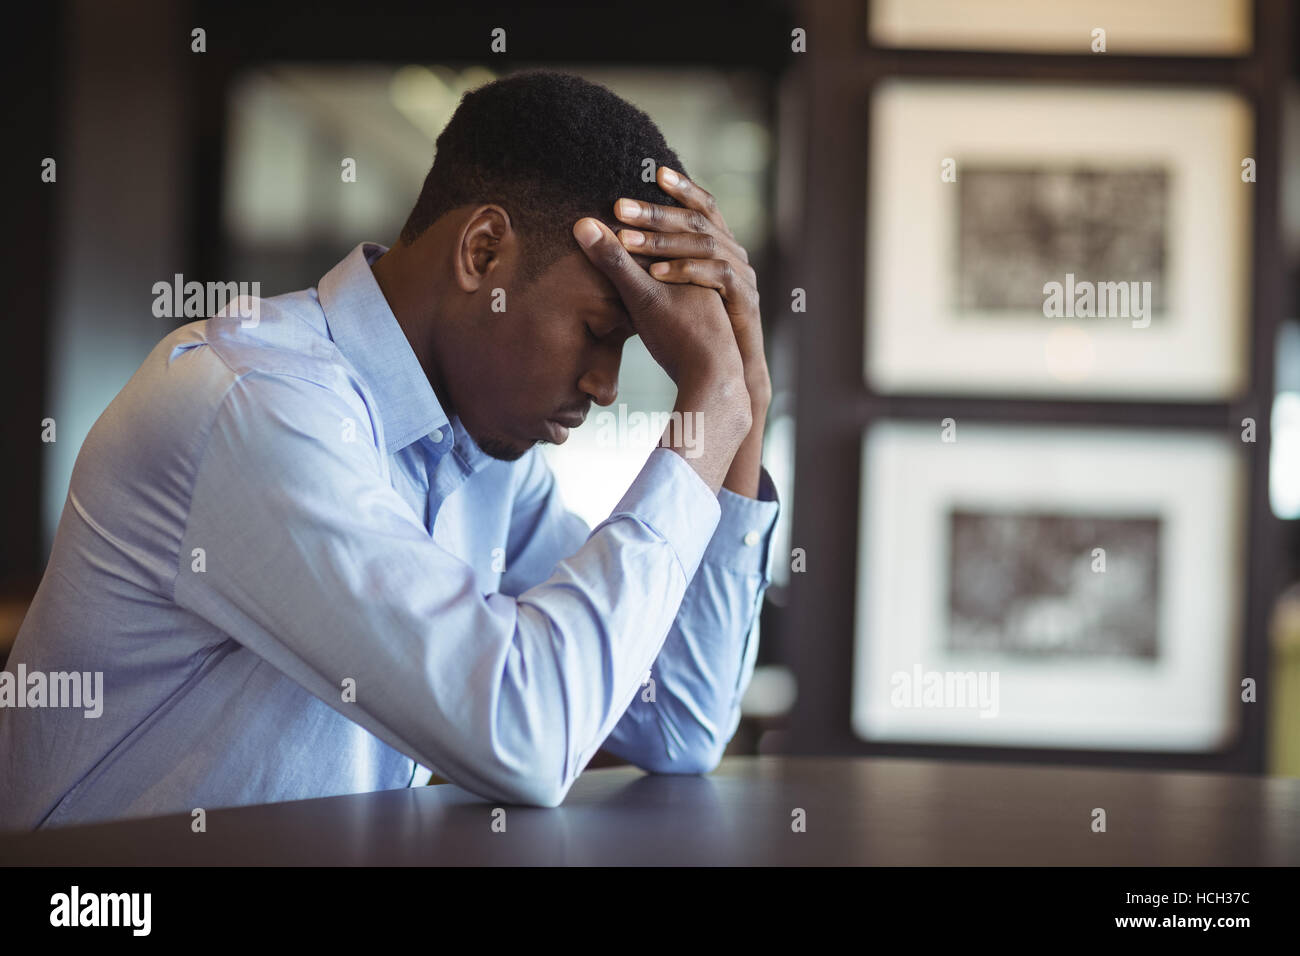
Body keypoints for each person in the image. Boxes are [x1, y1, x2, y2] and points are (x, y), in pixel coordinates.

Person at [0, 70, 777, 829]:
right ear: (482, 253)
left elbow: (680, 721)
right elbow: (527, 738)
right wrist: (709, 403)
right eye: (599, 332)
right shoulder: (254, 403)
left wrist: (743, 405)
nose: (606, 385)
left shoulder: (487, 461)